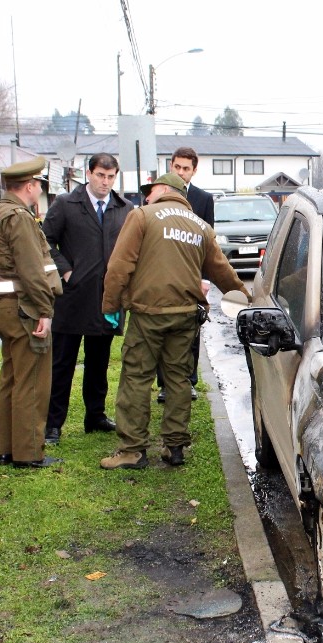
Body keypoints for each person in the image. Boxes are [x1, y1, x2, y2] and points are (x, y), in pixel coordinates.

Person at [100, 173, 248, 470]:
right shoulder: (201, 227)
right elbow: (222, 271)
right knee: (178, 378)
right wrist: (245, 297)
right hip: (185, 315)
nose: (147, 195)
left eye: (150, 190)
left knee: (136, 377)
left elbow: (119, 265)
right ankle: (175, 446)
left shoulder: (142, 216)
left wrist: (110, 304)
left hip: (148, 314)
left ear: (164, 189)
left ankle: (132, 450)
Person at [43, 153, 133, 445]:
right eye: (100, 176)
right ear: (89, 173)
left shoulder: (125, 209)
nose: (105, 182)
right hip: (71, 299)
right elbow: (44, 242)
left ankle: (95, 415)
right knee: (62, 364)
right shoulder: (66, 204)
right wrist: (66, 271)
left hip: (107, 299)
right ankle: (53, 423)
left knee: (99, 361)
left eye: (110, 177)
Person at [0, 157, 64, 469]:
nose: (39, 190)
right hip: (24, 307)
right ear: (30, 185)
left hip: (5, 307)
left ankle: (7, 448)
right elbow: (32, 270)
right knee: (32, 380)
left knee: (12, 378)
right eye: (38, 185)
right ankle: (29, 452)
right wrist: (45, 310)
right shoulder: (19, 217)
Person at [156, 147, 215, 405]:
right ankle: (164, 384)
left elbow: (208, 242)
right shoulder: (158, 195)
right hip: (164, 273)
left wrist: (205, 279)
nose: (180, 172)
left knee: (191, 328)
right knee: (162, 329)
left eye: (185, 168)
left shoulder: (203, 199)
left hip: (192, 274)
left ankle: (189, 380)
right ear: (171, 166)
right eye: (177, 167)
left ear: (194, 170)